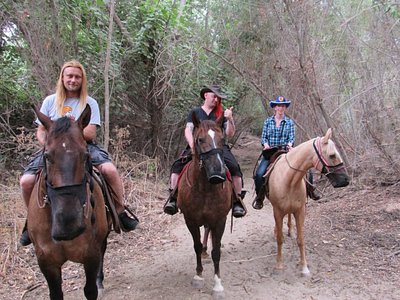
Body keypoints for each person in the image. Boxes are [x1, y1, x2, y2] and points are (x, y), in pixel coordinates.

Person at [19, 60, 138, 246]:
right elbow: (41, 131)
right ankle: (30, 222)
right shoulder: (50, 101)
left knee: (109, 170)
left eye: (77, 77)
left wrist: (70, 134)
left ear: (82, 80)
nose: (73, 80)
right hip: (54, 151)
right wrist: (50, 144)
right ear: (63, 78)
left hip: (83, 147)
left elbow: (90, 132)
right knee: (26, 181)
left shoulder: (89, 103)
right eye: (70, 76)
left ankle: (120, 211)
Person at [163, 85, 246, 218]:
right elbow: (188, 130)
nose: (216, 99)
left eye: (218, 97)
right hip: (198, 146)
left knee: (234, 168)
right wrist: (192, 145)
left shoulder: (221, 113)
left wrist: (230, 119)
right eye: (214, 96)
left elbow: (230, 133)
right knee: (176, 167)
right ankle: (173, 198)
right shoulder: (195, 112)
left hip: (218, 147)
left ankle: (237, 201)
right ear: (206, 95)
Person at [252, 96, 295, 210]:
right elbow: (263, 138)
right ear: (274, 108)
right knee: (259, 174)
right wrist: (265, 145)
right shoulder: (268, 121)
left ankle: (310, 192)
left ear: (285, 108)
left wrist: (290, 145)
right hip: (270, 153)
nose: (281, 108)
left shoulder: (290, 122)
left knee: (305, 170)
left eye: (283, 106)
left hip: (285, 152)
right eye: (278, 106)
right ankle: (259, 198)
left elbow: (291, 138)